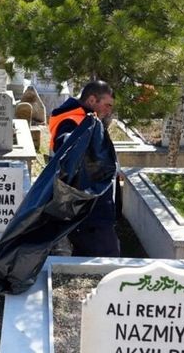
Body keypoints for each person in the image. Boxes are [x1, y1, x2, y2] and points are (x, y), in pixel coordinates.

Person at [48, 81, 120, 257]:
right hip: (89, 208)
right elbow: (67, 151)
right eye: (107, 104)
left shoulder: (88, 119)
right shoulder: (72, 121)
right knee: (106, 261)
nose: (109, 110)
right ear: (92, 100)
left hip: (92, 207)